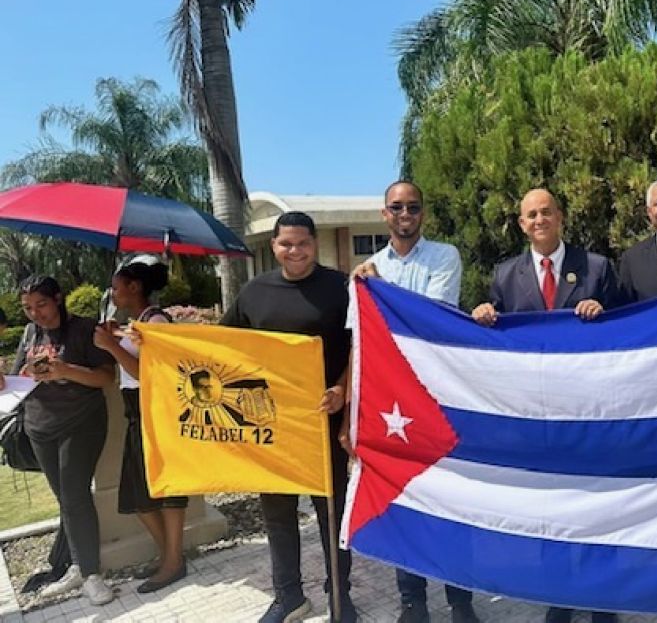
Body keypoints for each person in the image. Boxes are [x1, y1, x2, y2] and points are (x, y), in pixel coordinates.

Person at [472, 187, 622, 623]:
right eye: (531, 215)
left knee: (596, 508)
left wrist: (604, 310)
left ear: (560, 217)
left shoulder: (595, 268)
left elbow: (629, 333)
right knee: (551, 513)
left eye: (546, 212)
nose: (539, 220)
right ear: (522, 224)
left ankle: (603, 604)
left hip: (589, 415)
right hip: (536, 420)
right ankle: (561, 598)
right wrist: (482, 314)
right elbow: (493, 335)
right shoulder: (505, 275)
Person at [337, 180, 478, 623]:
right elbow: (359, 343)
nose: (404, 214)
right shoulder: (365, 273)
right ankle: (411, 600)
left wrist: (382, 292)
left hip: (438, 399)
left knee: (451, 499)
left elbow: (429, 322)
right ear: (384, 214)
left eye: (412, 207)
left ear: (422, 213)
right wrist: (349, 416)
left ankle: (461, 602)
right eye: (396, 207)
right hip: (388, 408)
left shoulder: (444, 256)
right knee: (402, 500)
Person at [221, 211, 355, 623]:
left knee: (330, 515)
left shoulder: (341, 288)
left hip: (323, 420)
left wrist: (342, 390)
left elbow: (363, 347)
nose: (294, 251)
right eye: (286, 244)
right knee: (277, 515)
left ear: (314, 244)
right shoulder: (254, 292)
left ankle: (340, 596)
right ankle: (288, 596)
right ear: (274, 246)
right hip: (271, 424)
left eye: (302, 243)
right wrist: (156, 342)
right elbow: (219, 344)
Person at [0, 275, 116, 605]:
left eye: (41, 305)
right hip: (40, 427)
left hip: (81, 423)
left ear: (59, 299)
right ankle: (80, 565)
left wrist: (65, 371)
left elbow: (105, 377)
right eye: (27, 309)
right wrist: (9, 378)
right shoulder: (30, 332)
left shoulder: (84, 329)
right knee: (65, 499)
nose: (35, 314)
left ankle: (91, 574)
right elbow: (24, 373)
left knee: (75, 493)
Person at [93, 259, 189, 594]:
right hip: (137, 413)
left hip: (157, 411)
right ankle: (169, 557)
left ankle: (174, 561)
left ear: (135, 287)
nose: (113, 293)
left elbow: (152, 374)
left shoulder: (157, 320)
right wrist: (113, 340)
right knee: (138, 491)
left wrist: (112, 346)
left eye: (116, 286)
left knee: (168, 488)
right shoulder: (135, 323)